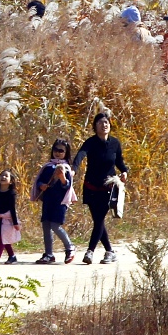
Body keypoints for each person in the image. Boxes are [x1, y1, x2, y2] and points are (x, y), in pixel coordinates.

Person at [72, 113, 128, 265]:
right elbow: (80, 155)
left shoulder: (115, 143)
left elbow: (120, 162)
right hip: (90, 186)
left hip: (108, 188)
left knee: (99, 219)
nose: (105, 125)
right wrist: (74, 169)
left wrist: (124, 172)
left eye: (107, 122)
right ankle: (110, 251)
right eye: (101, 122)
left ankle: (90, 252)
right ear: (95, 126)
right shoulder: (90, 142)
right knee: (98, 220)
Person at [31, 139, 76, 265]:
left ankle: (69, 247)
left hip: (60, 202)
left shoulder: (66, 168)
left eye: (61, 150)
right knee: (46, 226)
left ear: (66, 153)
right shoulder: (48, 166)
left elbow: (67, 186)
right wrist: (41, 186)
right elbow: (39, 180)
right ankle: (48, 254)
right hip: (48, 200)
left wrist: (62, 179)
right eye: (56, 150)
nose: (58, 153)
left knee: (55, 226)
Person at [0, 169, 21, 264]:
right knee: (1, 237)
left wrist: (15, 223)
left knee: (3, 237)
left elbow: (12, 208)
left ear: (11, 181)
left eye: (6, 176)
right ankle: (12, 256)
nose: (3, 177)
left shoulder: (12, 193)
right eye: (1, 175)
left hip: (8, 218)